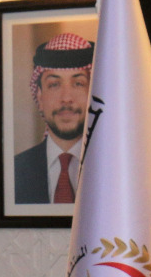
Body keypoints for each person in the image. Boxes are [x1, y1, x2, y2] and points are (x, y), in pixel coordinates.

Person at [13, 33, 94, 204]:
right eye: (54, 85)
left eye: (78, 83)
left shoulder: (116, 168)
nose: (66, 98)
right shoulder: (15, 172)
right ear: (40, 97)